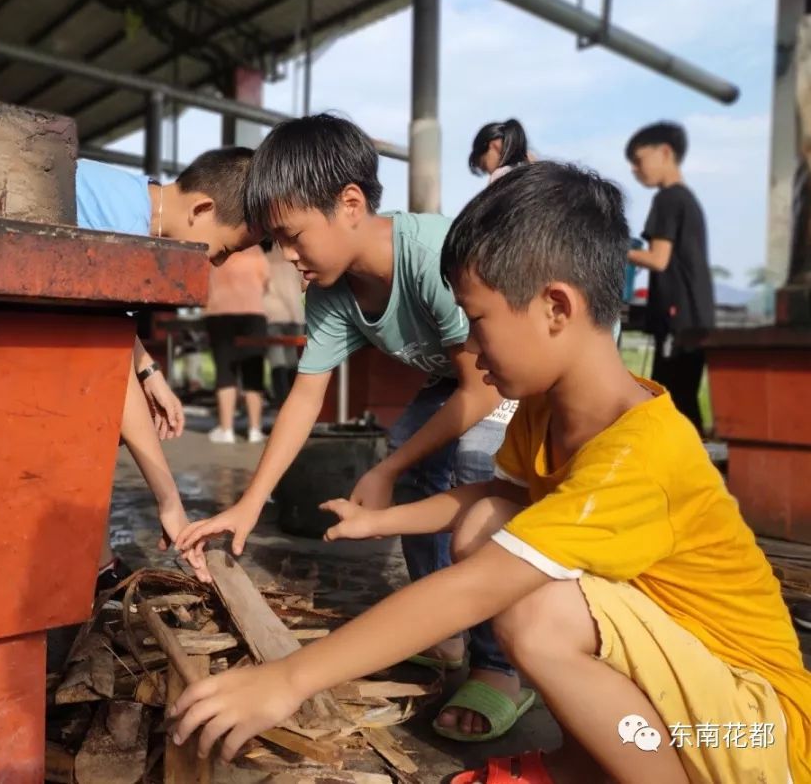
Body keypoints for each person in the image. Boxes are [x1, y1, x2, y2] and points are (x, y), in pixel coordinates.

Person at [169, 162, 811, 784]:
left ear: (556, 307)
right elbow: (498, 494)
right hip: (691, 700)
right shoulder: (549, 406)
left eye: (477, 321)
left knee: (537, 612)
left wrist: (289, 678)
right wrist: (382, 520)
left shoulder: (640, 452)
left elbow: (474, 589)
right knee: (490, 520)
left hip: (753, 732)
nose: (467, 350)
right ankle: (590, 762)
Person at [176, 115, 526, 741]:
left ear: (350, 204)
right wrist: (250, 503)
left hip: (519, 371)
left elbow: (484, 389)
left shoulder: (435, 257)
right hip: (463, 373)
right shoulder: (332, 291)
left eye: (292, 236)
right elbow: (306, 396)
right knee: (415, 462)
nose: (288, 255)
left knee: (478, 466)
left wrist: (385, 469)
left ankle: (500, 664)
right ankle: (444, 630)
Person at [74, 147, 259, 585]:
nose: (217, 261)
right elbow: (104, 360)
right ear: (202, 209)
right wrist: (170, 501)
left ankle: (99, 565)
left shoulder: (128, 197)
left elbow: (105, 326)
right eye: (225, 248)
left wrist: (148, 370)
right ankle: (92, 570)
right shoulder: (122, 229)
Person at [625, 122, 715, 436]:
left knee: (672, 397)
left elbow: (657, 259)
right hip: (694, 316)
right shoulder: (687, 200)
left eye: (638, 160)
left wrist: (616, 248)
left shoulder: (668, 199)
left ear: (665, 152)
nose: (635, 170)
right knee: (684, 394)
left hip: (677, 317)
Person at [205, 245, 270, 445]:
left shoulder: (216, 249)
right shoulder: (256, 252)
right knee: (253, 371)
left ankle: (226, 430)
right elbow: (266, 282)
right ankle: (254, 429)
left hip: (219, 312)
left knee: (225, 371)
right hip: (253, 313)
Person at [263, 240, 305, 405]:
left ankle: (281, 402)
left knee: (277, 360)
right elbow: (301, 286)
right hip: (294, 315)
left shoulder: (265, 259)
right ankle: (294, 403)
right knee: (292, 359)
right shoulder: (293, 261)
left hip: (271, 314)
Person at [469, 118, 532, 183]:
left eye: (485, 165)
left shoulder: (499, 176)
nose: (489, 173)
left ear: (495, 145)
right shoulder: (533, 173)